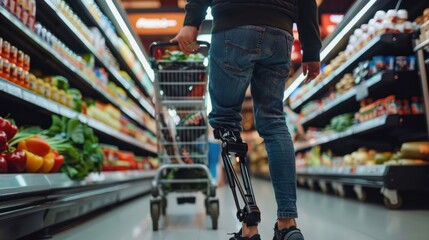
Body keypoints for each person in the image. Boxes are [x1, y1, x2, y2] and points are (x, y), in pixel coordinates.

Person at [172, 0, 321, 239]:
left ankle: (249, 227)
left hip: (234, 25)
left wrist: (191, 22)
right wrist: (312, 49)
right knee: (274, 121)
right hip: (280, 31)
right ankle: (288, 224)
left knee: (226, 121)